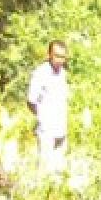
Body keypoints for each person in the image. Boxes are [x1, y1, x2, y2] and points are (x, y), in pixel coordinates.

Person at [26, 40, 69, 173]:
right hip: (47, 129)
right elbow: (31, 101)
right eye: (56, 55)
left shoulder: (62, 72)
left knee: (59, 168)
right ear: (49, 54)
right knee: (45, 169)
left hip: (61, 127)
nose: (59, 59)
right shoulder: (41, 73)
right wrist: (42, 117)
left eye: (62, 56)